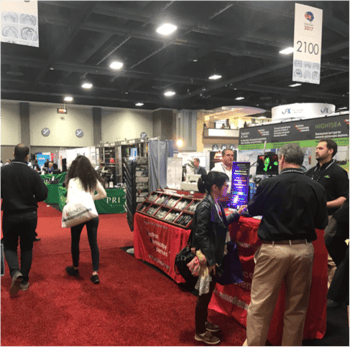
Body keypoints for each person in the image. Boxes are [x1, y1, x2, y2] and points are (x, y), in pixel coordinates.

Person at [244, 143, 328, 346]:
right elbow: (321, 223)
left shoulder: (268, 184)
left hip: (273, 249)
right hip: (303, 250)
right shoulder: (315, 186)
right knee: (297, 308)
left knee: (260, 306)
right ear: (303, 161)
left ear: (281, 159)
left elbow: (252, 209)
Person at [191, 171, 246, 345]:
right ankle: (200, 331)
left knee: (207, 293)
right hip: (208, 259)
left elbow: (219, 225)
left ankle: (203, 323)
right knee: (204, 295)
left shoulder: (214, 203)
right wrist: (211, 260)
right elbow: (201, 235)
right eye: (225, 186)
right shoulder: (206, 206)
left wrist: (237, 213)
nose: (227, 189)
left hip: (213, 256)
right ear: (215, 187)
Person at [0, 144, 48, 296]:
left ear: (14, 154)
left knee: (9, 246)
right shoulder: (32, 173)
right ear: (27, 156)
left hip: (10, 214)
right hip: (29, 215)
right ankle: (25, 281)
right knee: (27, 248)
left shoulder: (3, 171)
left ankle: (15, 272)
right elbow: (43, 195)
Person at [305, 138, 348, 287]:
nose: (316, 150)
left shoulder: (338, 172)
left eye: (320, 148)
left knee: (329, 258)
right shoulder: (311, 172)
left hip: (329, 219)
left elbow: (344, 198)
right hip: (309, 220)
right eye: (316, 148)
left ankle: (334, 291)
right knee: (312, 254)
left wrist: (324, 204)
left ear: (331, 151)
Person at [65, 155, 107, 284]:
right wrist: (90, 199)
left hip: (77, 214)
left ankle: (75, 267)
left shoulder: (72, 181)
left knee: (75, 241)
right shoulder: (92, 179)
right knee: (93, 243)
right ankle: (94, 273)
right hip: (91, 213)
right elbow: (103, 194)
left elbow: (69, 199)